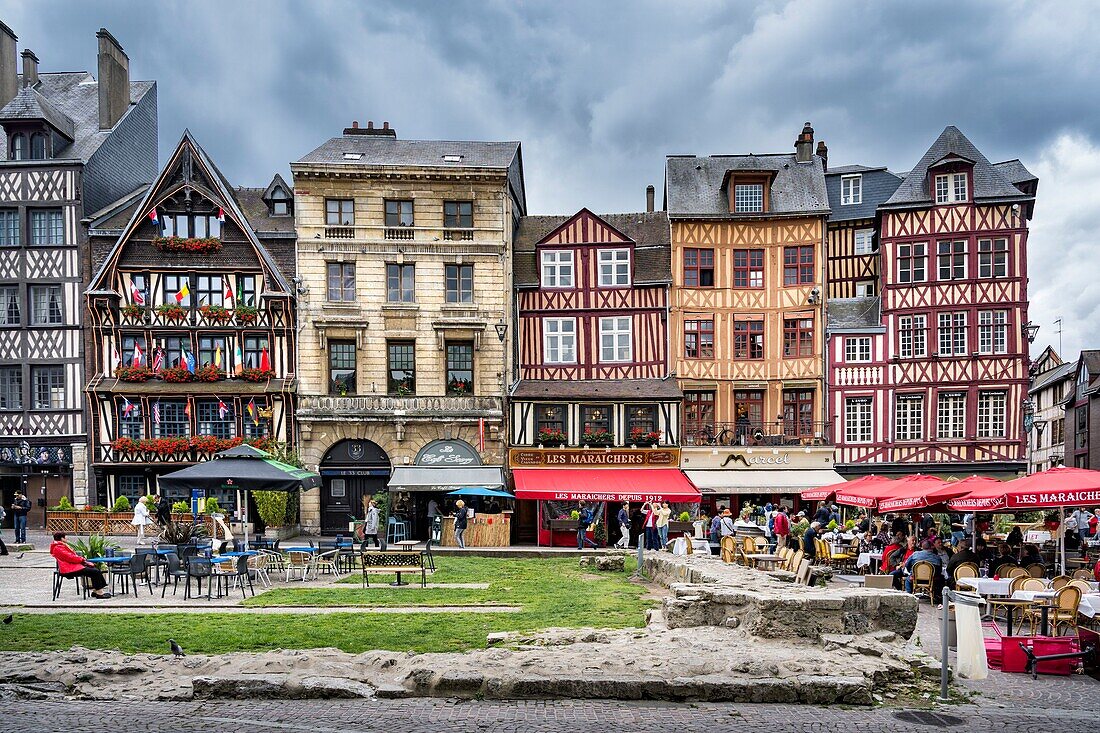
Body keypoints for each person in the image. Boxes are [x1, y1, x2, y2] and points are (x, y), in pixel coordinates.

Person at [50, 532, 111, 599]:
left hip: (72, 566)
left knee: (95, 569)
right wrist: (82, 559)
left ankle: (96, 590)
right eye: (65, 537)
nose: (66, 538)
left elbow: (71, 557)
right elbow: (71, 557)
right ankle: (100, 593)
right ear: (62, 538)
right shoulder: (58, 548)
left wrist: (82, 560)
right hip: (69, 569)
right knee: (94, 572)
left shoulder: (60, 546)